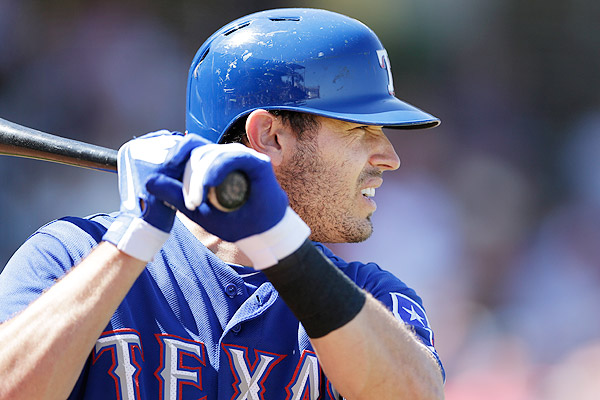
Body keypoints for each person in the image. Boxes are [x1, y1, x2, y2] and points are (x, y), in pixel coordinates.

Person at [0, 8, 445, 400]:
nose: (390, 157)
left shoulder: (373, 297)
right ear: (270, 136)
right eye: (360, 130)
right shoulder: (72, 254)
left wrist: (279, 240)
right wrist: (131, 240)